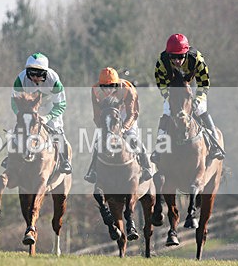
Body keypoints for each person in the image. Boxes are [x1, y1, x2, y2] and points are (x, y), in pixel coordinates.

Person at [153, 33, 224, 162]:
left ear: (186, 54)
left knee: (200, 109)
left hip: (193, 86)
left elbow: (204, 83)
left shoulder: (196, 59)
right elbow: (161, 83)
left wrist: (198, 100)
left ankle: (215, 144)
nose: (177, 61)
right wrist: (168, 97)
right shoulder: (162, 61)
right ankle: (159, 148)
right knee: (167, 111)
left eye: (180, 57)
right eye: (173, 57)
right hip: (173, 89)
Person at [3, 52, 72, 174]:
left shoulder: (55, 81)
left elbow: (61, 104)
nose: (35, 77)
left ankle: (64, 160)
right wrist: (20, 114)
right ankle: (11, 158)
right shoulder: (20, 80)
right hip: (29, 107)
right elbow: (14, 102)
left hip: (50, 107)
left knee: (57, 129)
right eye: (31, 73)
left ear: (45, 72)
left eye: (39, 74)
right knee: (20, 128)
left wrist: (48, 117)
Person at [85, 67, 152, 183]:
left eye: (111, 86)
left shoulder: (127, 89)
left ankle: (146, 167)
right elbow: (97, 115)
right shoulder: (95, 90)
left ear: (117, 84)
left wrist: (123, 129)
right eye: (104, 87)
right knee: (97, 142)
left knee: (133, 138)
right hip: (108, 114)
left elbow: (132, 114)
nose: (107, 90)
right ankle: (92, 170)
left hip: (126, 113)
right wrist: (105, 130)